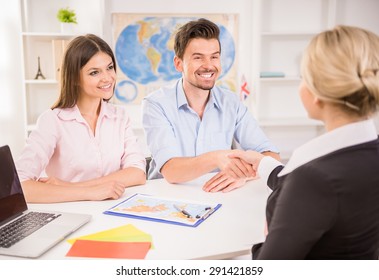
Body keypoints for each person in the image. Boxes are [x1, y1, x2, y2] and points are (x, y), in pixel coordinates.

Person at [231, 25, 379, 259]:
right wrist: (262, 164)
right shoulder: (359, 156)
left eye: (303, 77)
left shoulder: (314, 179)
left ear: (317, 92)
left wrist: (270, 236)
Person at [142, 18, 280, 192]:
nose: (208, 66)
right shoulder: (156, 104)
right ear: (179, 64)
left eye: (214, 57)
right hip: (168, 199)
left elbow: (270, 156)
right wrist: (217, 158)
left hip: (218, 197)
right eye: (198, 57)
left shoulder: (231, 103)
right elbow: (171, 170)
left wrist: (244, 175)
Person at [16, 34, 146, 203]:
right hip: (70, 214)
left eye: (110, 67)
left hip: (113, 209)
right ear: (75, 78)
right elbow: (20, 186)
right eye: (94, 72)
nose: (107, 78)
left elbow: (137, 172)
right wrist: (90, 193)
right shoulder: (53, 121)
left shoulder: (119, 117)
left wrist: (71, 186)